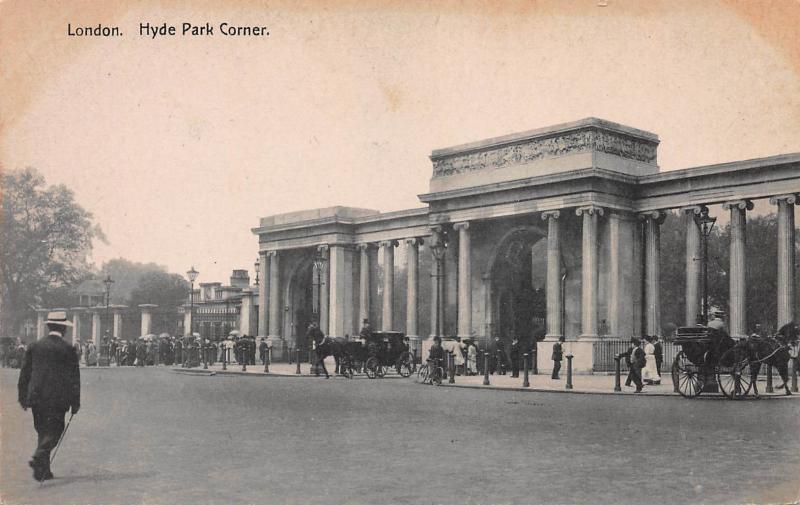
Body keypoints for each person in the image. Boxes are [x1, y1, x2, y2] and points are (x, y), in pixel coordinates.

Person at [17, 311, 81, 482]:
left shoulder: (34, 346)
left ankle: (43, 470)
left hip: (37, 397)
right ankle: (40, 455)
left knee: (42, 431)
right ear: (63, 328)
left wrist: (22, 397)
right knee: (56, 430)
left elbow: (25, 374)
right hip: (59, 398)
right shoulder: (68, 349)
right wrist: (75, 402)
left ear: (49, 326)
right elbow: (74, 378)